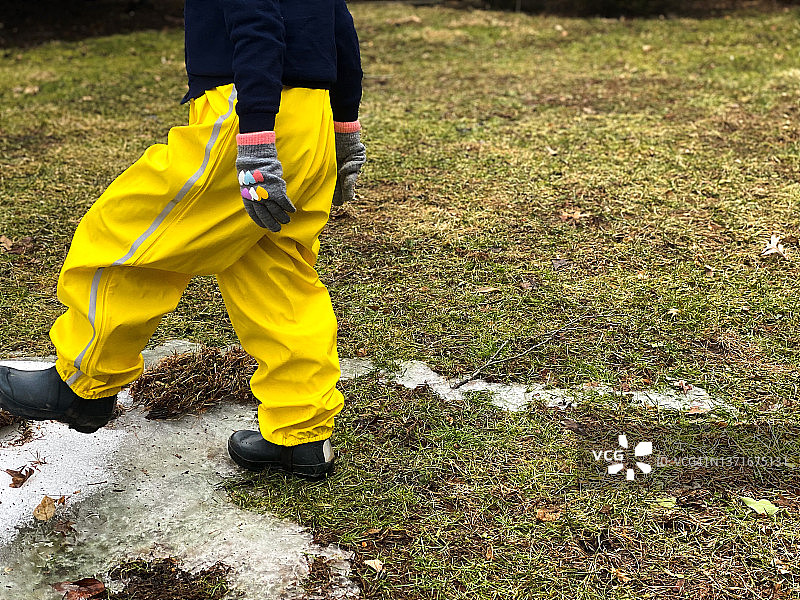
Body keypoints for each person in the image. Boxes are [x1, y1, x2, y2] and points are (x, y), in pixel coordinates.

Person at [0, 0, 365, 480]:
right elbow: (338, 24)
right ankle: (300, 435)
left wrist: (255, 135)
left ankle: (83, 384)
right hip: (309, 116)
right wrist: (342, 127)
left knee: (125, 232)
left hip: (251, 115)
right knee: (274, 271)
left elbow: (255, 17)